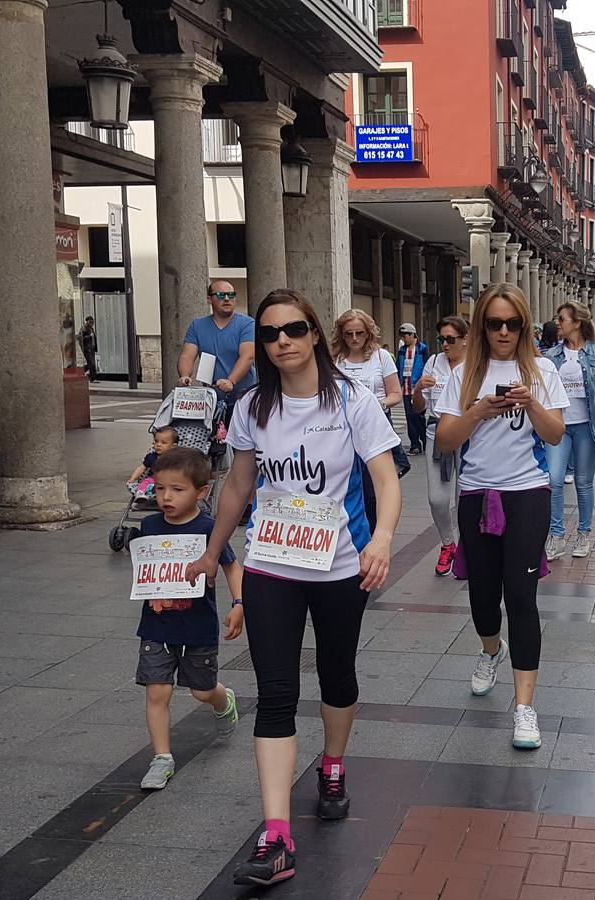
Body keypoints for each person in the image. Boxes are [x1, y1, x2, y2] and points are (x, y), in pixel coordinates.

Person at [186, 289, 401, 887]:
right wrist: (211, 551)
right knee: (276, 692)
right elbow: (237, 485)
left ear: (314, 336)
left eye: (294, 330)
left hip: (338, 566)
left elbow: (385, 479)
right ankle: (276, 835)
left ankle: (332, 765)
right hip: (272, 567)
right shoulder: (254, 406)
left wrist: (381, 541)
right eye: (272, 332)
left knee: (337, 675)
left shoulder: (354, 401)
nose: (282, 340)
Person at [434, 282, 566, 750]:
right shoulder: (465, 372)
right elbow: (445, 441)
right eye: (495, 323)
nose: (504, 331)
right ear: (482, 326)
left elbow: (554, 437)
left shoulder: (542, 370)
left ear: (525, 326)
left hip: (527, 494)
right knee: (484, 599)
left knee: (522, 597)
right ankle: (491, 649)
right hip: (476, 495)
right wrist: (479, 411)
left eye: (513, 323)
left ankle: (525, 707)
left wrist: (530, 403)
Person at [136, 447, 243, 791]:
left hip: (198, 627)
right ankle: (162, 758)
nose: (166, 497)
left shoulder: (210, 529)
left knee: (201, 691)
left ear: (201, 491)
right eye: (159, 488)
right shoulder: (149, 525)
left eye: (177, 490)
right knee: (158, 691)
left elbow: (230, 565)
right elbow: (144, 567)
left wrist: (240, 602)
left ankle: (223, 699)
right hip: (156, 627)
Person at [542, 301, 595, 560]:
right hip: (558, 427)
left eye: (562, 318)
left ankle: (583, 535)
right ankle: (557, 535)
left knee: (584, 483)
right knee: (553, 480)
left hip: (587, 426)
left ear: (577, 322)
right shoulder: (551, 356)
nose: (558, 323)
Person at [333, 309, 408, 524]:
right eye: (349, 334)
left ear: (368, 333)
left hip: (375, 425)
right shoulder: (335, 360)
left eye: (359, 333)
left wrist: (377, 404)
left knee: (374, 488)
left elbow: (396, 393)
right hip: (343, 430)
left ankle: (376, 533)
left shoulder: (381, 357)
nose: (355, 338)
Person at [413, 316, 469, 577]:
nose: (445, 345)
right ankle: (448, 543)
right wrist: (417, 389)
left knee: (464, 498)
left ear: (465, 340)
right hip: (437, 433)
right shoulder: (433, 363)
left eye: (450, 339)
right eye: (441, 339)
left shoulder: (474, 366)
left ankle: (466, 548)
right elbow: (418, 407)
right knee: (437, 498)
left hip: (468, 435)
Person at [179, 281, 257, 416]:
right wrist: (185, 375)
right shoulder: (197, 325)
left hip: (244, 398)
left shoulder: (247, 324)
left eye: (231, 295)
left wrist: (231, 381)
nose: (227, 299)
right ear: (209, 299)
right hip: (212, 400)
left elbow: (248, 355)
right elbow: (187, 355)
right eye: (221, 295)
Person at [398, 323, 429, 455]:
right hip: (406, 388)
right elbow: (398, 367)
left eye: (405, 336)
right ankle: (414, 444)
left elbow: (427, 367)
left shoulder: (422, 349)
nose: (404, 339)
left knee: (419, 416)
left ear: (412, 335)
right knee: (409, 417)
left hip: (418, 388)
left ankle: (425, 441)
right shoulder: (402, 351)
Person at [127, 425, 179, 493]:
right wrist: (132, 479)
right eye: (156, 441)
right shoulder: (152, 457)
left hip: (171, 482)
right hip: (154, 480)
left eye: (163, 442)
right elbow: (142, 468)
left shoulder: (176, 458)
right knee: (145, 482)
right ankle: (140, 493)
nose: (158, 445)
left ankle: (153, 490)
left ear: (173, 446)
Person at [80, 316, 99, 380]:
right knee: (91, 362)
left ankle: (81, 372)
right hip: (87, 348)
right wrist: (89, 336)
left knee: (91, 363)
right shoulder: (84, 328)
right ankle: (92, 377)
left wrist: (95, 347)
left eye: (92, 322)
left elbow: (94, 338)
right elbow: (82, 338)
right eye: (90, 322)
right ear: (87, 321)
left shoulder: (91, 328)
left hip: (92, 348)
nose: (92, 323)